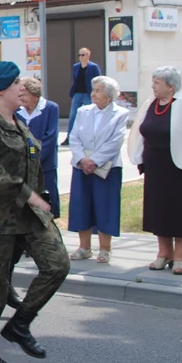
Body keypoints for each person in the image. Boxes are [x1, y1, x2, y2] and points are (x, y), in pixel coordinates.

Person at [0, 61, 69, 363]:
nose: (21, 88)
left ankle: (20, 324)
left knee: (57, 265)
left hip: (28, 214)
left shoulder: (19, 122)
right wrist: (25, 192)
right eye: (15, 85)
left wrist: (39, 198)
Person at [127, 66, 182, 276]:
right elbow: (140, 130)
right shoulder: (151, 102)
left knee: (180, 212)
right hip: (156, 166)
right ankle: (163, 253)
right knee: (159, 210)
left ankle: (180, 256)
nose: (153, 86)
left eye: (157, 82)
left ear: (171, 86)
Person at [67, 75, 128, 264]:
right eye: (93, 90)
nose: (93, 94)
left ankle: (105, 249)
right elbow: (74, 136)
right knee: (81, 205)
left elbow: (115, 142)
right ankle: (84, 247)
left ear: (109, 96)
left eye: (98, 91)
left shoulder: (120, 113)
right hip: (81, 166)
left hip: (107, 168)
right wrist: (82, 160)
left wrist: (95, 160)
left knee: (105, 205)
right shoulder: (83, 111)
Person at [16, 77, 61, 218]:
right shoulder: (17, 110)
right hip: (22, 166)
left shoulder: (50, 108)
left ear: (35, 95)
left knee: (46, 204)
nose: (21, 97)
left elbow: (50, 137)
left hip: (45, 165)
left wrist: (35, 160)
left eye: (24, 94)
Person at [62, 48, 101, 145]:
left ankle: (93, 137)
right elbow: (75, 80)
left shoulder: (93, 67)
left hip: (88, 94)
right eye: (79, 55)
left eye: (83, 55)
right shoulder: (76, 67)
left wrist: (95, 92)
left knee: (91, 115)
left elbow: (98, 80)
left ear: (88, 55)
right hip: (77, 93)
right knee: (73, 116)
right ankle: (69, 138)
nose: (81, 57)